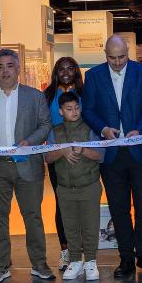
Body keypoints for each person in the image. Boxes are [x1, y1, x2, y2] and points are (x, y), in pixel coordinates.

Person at [0, 48, 54, 283]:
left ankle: (39, 263)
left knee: (33, 216)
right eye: (0, 67)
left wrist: (31, 141)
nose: (5, 71)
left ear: (18, 69)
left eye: (9, 66)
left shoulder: (34, 96)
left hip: (27, 165)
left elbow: (45, 124)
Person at [83, 35, 142, 279]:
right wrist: (103, 128)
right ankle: (126, 257)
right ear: (104, 54)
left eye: (121, 57)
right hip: (112, 152)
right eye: (112, 58)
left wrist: (139, 128)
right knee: (118, 207)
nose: (117, 62)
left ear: (128, 52)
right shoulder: (94, 76)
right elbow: (88, 109)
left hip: (141, 150)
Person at [45, 91, 104, 281]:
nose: (74, 112)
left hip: (89, 185)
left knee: (90, 224)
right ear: (61, 111)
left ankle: (91, 261)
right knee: (70, 226)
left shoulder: (89, 128)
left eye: (77, 107)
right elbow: (47, 157)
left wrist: (84, 150)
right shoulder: (55, 131)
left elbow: (101, 155)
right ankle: (75, 260)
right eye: (69, 109)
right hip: (64, 187)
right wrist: (61, 151)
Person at [43, 56, 84, 271]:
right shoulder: (48, 96)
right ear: (55, 72)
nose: (66, 72)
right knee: (62, 203)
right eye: (61, 69)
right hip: (58, 157)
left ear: (76, 71)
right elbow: (43, 125)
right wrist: (60, 149)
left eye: (70, 68)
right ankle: (66, 250)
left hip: (82, 157)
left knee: (84, 202)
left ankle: (84, 248)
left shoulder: (85, 94)